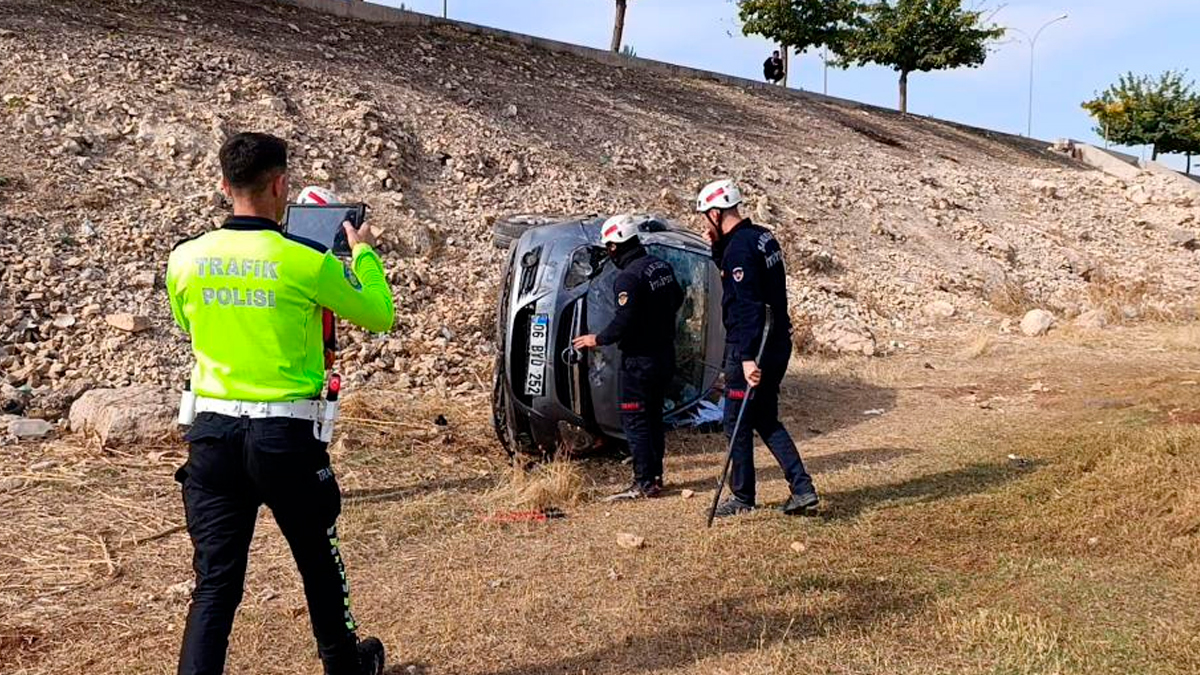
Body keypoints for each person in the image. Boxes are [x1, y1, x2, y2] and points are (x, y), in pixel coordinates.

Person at [166, 132, 395, 675]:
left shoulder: (186, 258)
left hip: (212, 433)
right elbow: (379, 314)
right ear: (280, 185)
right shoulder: (306, 261)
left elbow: (188, 324)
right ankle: (344, 665)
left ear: (225, 186)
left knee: (216, 584)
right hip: (285, 438)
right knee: (318, 561)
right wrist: (362, 253)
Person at [695, 179, 818, 518]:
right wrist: (717, 248)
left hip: (752, 348)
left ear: (716, 213)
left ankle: (742, 497)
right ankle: (802, 487)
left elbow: (747, 305)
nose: (705, 223)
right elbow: (749, 281)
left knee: (735, 422)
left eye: (706, 216)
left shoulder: (739, 250)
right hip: (777, 342)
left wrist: (747, 359)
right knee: (764, 417)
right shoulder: (761, 237)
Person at [573, 214, 684, 500]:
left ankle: (644, 482)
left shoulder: (628, 278)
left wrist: (595, 339)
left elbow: (624, 322)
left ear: (615, 246)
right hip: (664, 356)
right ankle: (655, 475)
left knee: (635, 419)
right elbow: (678, 299)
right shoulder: (661, 267)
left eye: (609, 247)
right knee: (654, 417)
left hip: (639, 362)